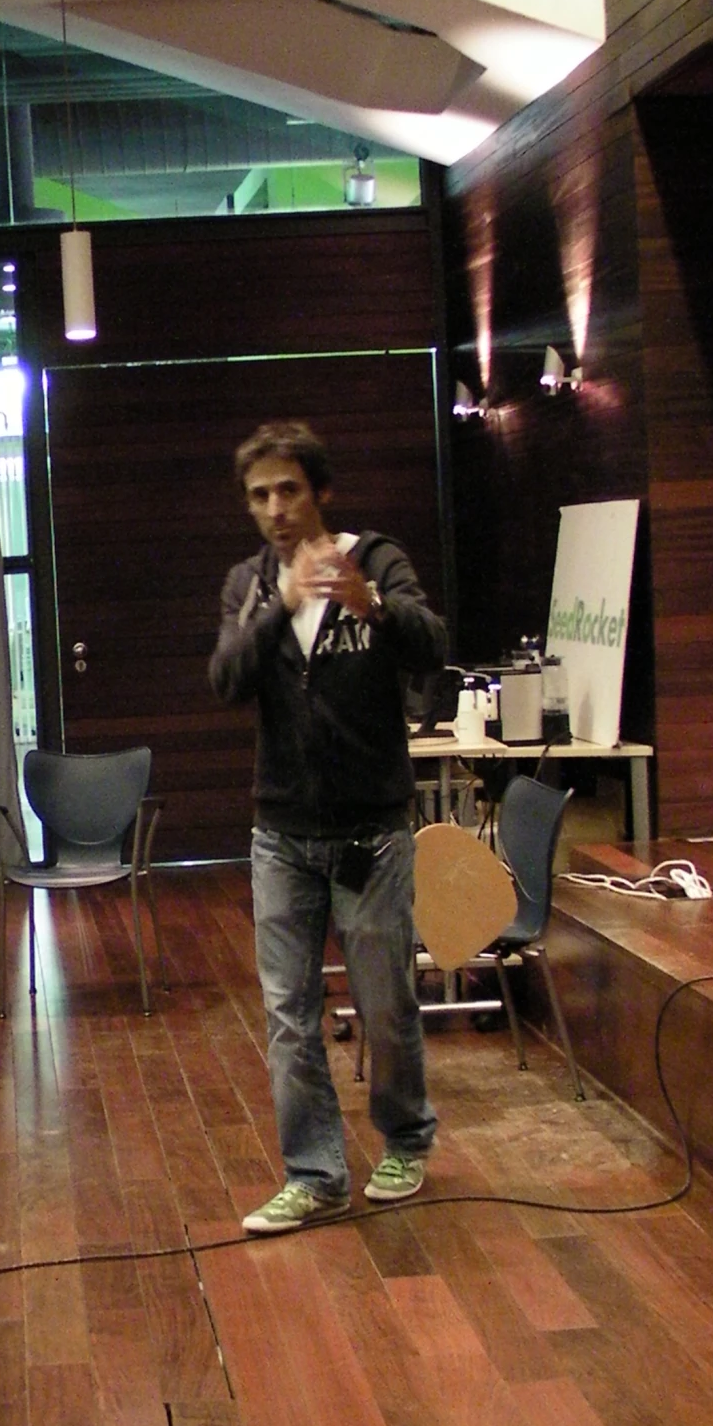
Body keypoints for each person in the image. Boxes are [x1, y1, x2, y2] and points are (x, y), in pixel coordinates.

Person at [207, 419, 446, 1234]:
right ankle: (315, 1175)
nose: (274, 508)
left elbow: (433, 645)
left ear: (321, 492)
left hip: (371, 830)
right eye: (259, 495)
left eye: (288, 490)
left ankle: (407, 1139)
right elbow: (227, 679)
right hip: (281, 832)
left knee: (384, 1004)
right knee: (288, 1013)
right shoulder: (248, 583)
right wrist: (280, 607)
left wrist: (369, 603)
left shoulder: (373, 557)